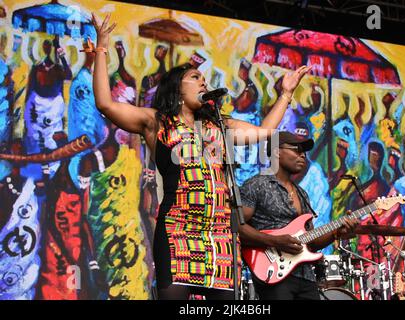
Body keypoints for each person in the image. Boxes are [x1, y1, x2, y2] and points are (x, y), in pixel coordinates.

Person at [90, 13, 312, 300]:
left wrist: (285, 94)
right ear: (177, 89)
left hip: (219, 234)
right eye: (195, 77)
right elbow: (106, 104)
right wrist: (102, 48)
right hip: (178, 230)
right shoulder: (158, 122)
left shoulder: (219, 125)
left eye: (204, 79)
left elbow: (265, 130)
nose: (203, 83)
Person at [238, 131, 359, 300]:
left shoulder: (302, 194)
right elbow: (236, 227)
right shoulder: (256, 185)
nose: (303, 155)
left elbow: (312, 242)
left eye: (304, 151)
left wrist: (337, 232)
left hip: (306, 276)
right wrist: (274, 241)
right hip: (273, 273)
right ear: (276, 152)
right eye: (296, 149)